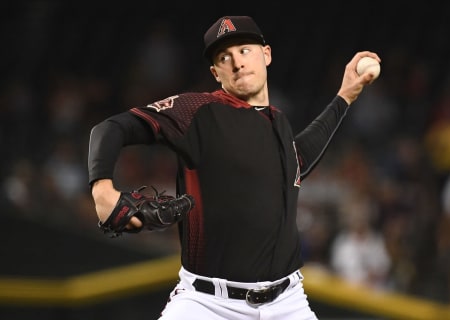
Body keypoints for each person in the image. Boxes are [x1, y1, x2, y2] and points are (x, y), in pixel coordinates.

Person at [88, 15, 380, 320]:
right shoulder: (197, 111)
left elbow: (296, 162)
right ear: (216, 72)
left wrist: (345, 97)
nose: (237, 62)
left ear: (266, 55)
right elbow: (110, 129)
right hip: (207, 304)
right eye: (224, 57)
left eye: (244, 50)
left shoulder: (277, 120)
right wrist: (102, 190)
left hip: (287, 302)